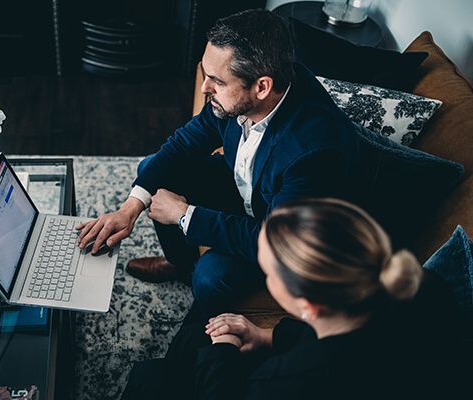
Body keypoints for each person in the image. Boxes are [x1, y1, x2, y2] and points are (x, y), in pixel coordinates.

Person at [76, 9, 386, 317]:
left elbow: (275, 244)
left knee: (210, 278)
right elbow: (185, 143)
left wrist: (184, 216)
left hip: (290, 238)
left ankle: (214, 326)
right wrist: (129, 209)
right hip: (251, 190)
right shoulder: (242, 94)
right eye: (205, 74)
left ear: (261, 86)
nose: (203, 88)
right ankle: (180, 262)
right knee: (153, 170)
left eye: (216, 81)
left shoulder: (313, 153)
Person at [122, 198, 466, 400]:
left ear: (309, 305)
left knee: (150, 380)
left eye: (269, 273)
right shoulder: (420, 285)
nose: (265, 279)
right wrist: (268, 335)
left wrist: (223, 349)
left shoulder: (287, 380)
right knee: (196, 332)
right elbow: (354, 337)